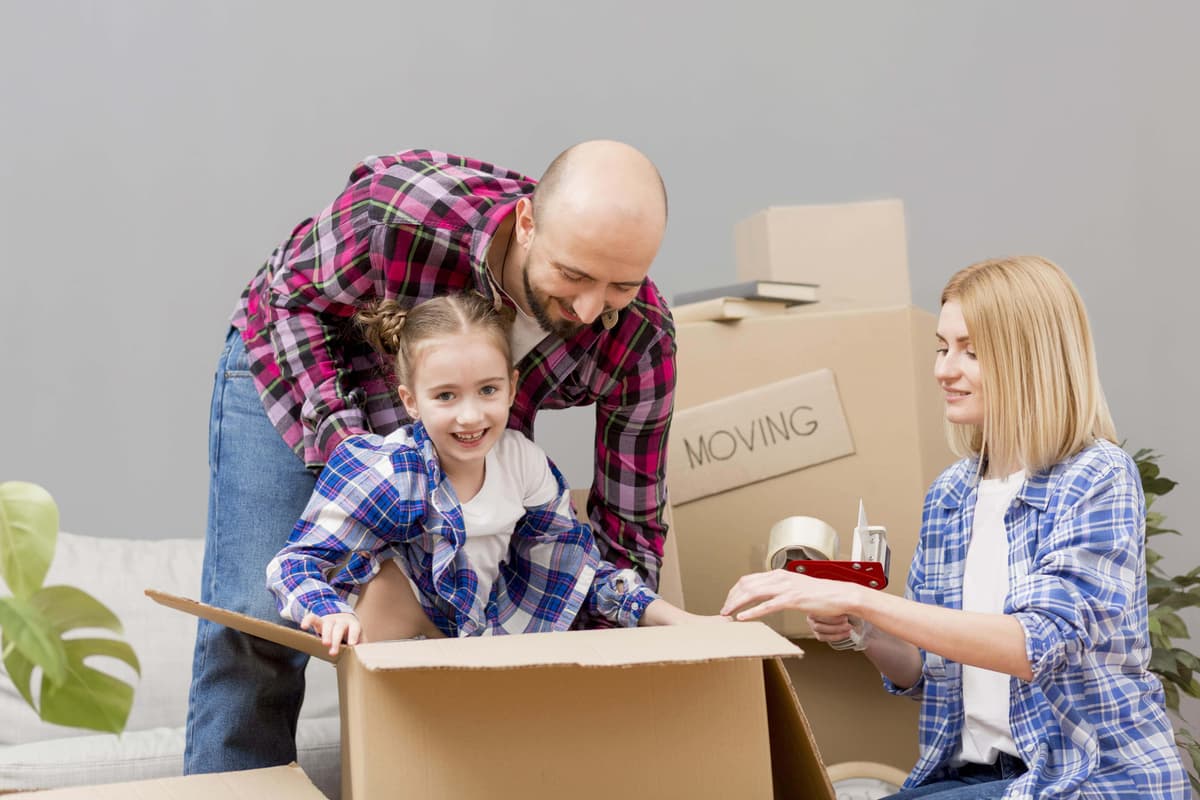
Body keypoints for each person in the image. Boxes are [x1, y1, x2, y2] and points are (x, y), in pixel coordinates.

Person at [187, 142, 676, 774]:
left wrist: (595, 667)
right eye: (574, 277)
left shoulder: (642, 338)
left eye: (621, 287)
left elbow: (628, 528)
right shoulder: (403, 212)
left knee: (467, 622)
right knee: (255, 618)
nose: (589, 311)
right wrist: (357, 461)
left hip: (454, 425)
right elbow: (292, 303)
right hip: (296, 364)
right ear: (527, 223)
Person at [722, 256, 1188, 798]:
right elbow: (926, 674)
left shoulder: (1097, 475)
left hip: (1085, 781)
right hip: (975, 776)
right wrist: (866, 631)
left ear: (1029, 359)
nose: (944, 370)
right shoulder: (952, 494)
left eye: (971, 351)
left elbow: (1035, 645)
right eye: (942, 348)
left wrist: (862, 597)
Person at [268, 293, 707, 655]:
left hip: (473, 635)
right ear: (411, 401)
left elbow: (579, 572)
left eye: (488, 390)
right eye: (446, 396)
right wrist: (328, 610)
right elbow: (293, 563)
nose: (470, 416)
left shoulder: (523, 465)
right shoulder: (391, 472)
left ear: (512, 387)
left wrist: (668, 615)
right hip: (392, 640)